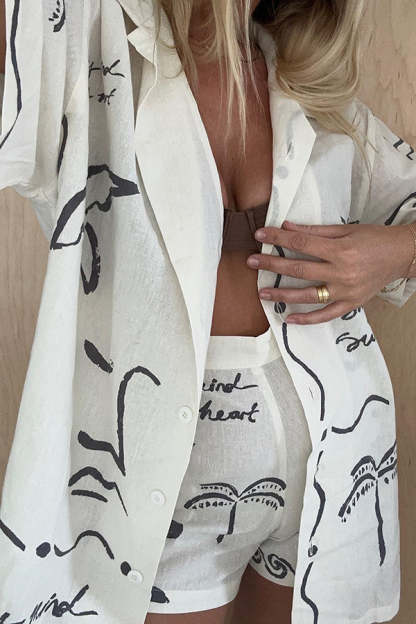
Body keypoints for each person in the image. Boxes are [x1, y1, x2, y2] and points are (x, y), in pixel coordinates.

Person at [0, 1, 415, 623]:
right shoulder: (88, 56)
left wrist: (395, 252)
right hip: (153, 498)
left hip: (330, 473)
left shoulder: (312, 90)